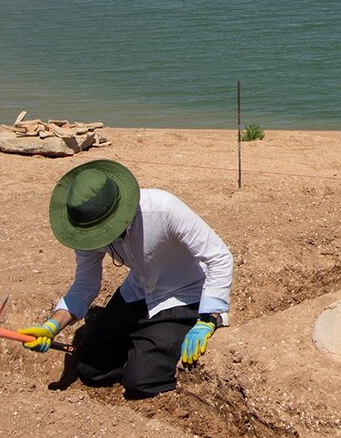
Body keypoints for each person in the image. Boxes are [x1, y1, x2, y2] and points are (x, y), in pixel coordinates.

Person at [19, 159, 234, 400]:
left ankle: (164, 347)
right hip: (138, 292)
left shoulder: (162, 208)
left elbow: (219, 257)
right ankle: (147, 347)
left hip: (183, 294)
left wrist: (208, 316)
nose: (99, 237)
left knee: (142, 382)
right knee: (91, 370)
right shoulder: (86, 229)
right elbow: (85, 285)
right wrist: (52, 326)